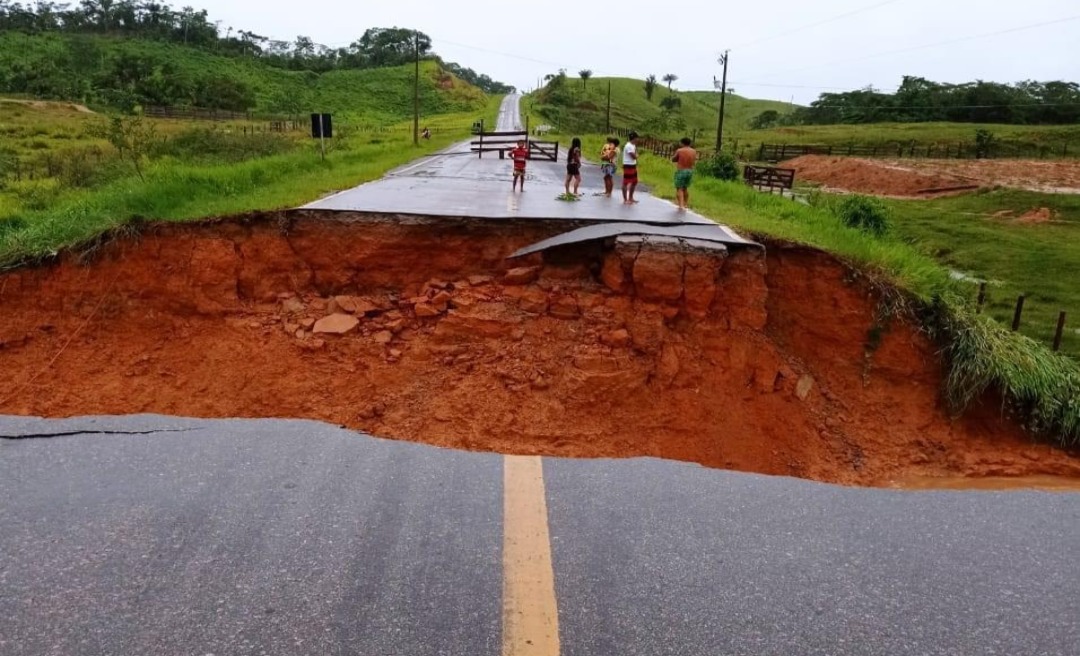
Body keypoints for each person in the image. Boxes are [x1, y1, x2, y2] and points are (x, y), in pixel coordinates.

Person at [671, 137, 698, 211]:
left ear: (682, 143)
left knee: (679, 188)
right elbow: (694, 160)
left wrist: (675, 158)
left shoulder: (680, 150)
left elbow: (674, 159)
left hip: (681, 170)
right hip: (690, 171)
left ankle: (681, 205)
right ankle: (685, 204)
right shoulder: (694, 151)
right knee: (685, 188)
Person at [622, 131, 640, 204]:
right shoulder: (628, 146)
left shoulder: (633, 145)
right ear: (634, 138)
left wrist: (636, 156)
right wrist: (637, 156)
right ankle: (625, 199)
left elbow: (635, 154)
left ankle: (631, 197)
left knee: (634, 181)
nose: (638, 139)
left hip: (633, 165)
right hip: (628, 165)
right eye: (637, 138)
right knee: (626, 182)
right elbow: (634, 156)